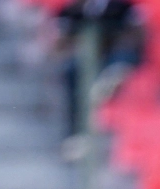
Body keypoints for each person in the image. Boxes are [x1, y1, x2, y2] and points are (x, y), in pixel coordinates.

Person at [55, 0, 145, 142]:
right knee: (71, 71)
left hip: (114, 56)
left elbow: (137, 35)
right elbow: (60, 42)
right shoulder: (72, 10)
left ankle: (105, 107)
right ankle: (78, 130)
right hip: (87, 60)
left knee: (122, 62)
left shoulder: (122, 7)